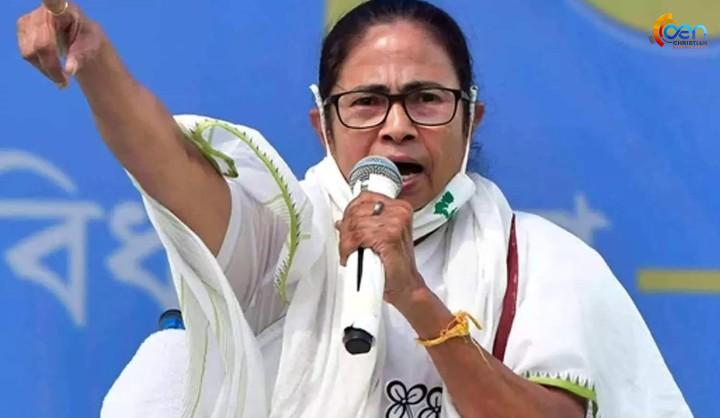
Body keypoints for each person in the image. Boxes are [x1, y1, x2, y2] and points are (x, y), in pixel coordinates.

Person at [17, 1, 692, 417]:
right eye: (367, 102)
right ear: (324, 126)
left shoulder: (542, 259)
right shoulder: (283, 235)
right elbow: (169, 162)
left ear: (471, 118)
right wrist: (95, 64)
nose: (397, 127)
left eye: (427, 100)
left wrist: (416, 300)